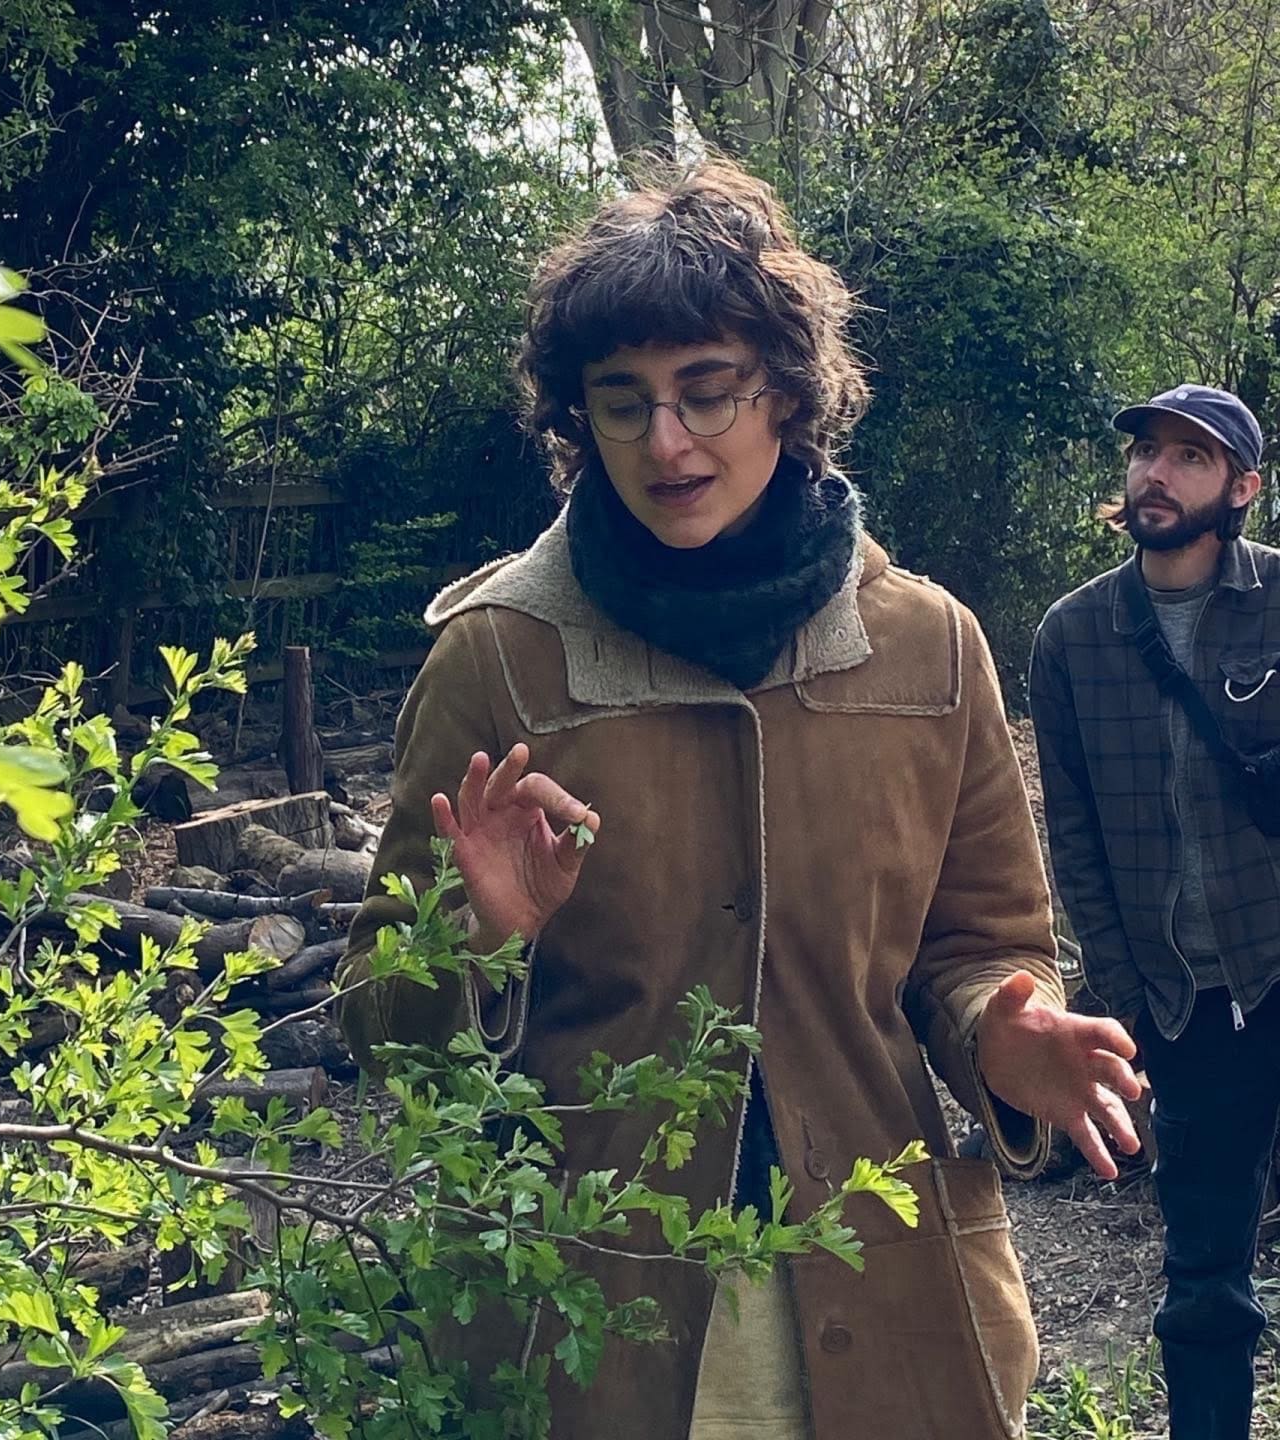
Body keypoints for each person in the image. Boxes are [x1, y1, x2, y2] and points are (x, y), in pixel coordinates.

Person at [340, 158, 1140, 1440]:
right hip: (586, 1319)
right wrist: (475, 943)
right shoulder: (500, 656)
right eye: (623, 404)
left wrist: (1004, 1030)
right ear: (578, 423)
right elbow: (385, 1024)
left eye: (707, 392)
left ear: (789, 392)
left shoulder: (928, 647)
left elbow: (979, 945)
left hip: (887, 1301)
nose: (668, 442)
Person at [1030, 383, 1277, 1440]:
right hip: (1188, 1004)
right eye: (1147, 455)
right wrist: (1123, 995)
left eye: (1189, 457)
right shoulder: (1073, 637)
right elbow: (1071, 836)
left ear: (1243, 487)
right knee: (1204, 1282)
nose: (1156, 475)